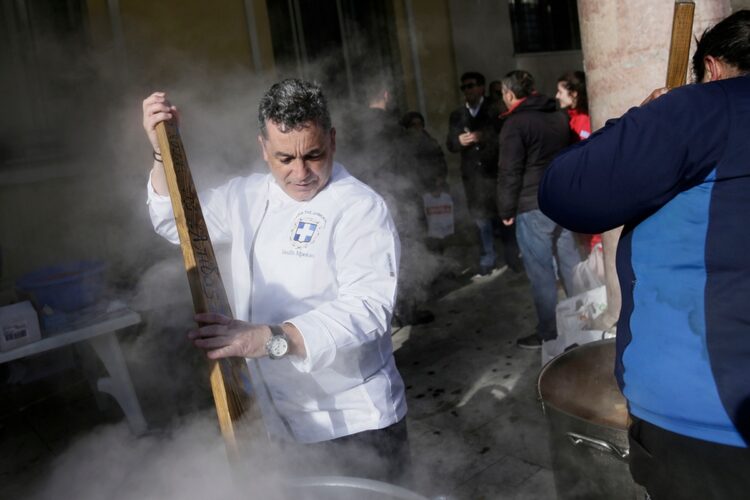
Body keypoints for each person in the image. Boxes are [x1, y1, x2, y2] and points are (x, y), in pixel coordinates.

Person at [142, 79, 410, 484]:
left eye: (313, 155)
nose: (300, 172)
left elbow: (367, 309)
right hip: (280, 419)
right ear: (263, 148)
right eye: (285, 158)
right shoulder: (245, 196)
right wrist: (162, 152)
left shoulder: (359, 207)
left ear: (333, 142)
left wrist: (267, 339)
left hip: (354, 423)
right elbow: (174, 224)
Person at [539, 10, 750, 499]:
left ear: (712, 70)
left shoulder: (705, 107)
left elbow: (567, 192)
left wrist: (641, 118)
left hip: (708, 422)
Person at [496, 70, 580, 349]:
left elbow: (510, 171)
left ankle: (549, 331)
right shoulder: (556, 115)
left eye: (503, 95)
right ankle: (582, 321)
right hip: (562, 201)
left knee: (542, 272)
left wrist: (505, 209)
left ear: (510, 94)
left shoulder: (515, 124)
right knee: (570, 265)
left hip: (533, 206)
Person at [446, 71, 520, 275]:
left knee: (505, 218)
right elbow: (450, 143)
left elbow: (506, 136)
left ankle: (512, 257)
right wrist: (459, 141)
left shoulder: (496, 109)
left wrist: (482, 136)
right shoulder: (457, 114)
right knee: (481, 221)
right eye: (464, 87)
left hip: (495, 173)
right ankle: (487, 259)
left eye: (471, 86)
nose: (467, 90)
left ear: (481, 87)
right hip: (474, 178)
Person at [555, 70, 591, 142]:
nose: (557, 96)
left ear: (574, 93)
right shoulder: (569, 117)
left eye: (560, 92)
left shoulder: (585, 121)